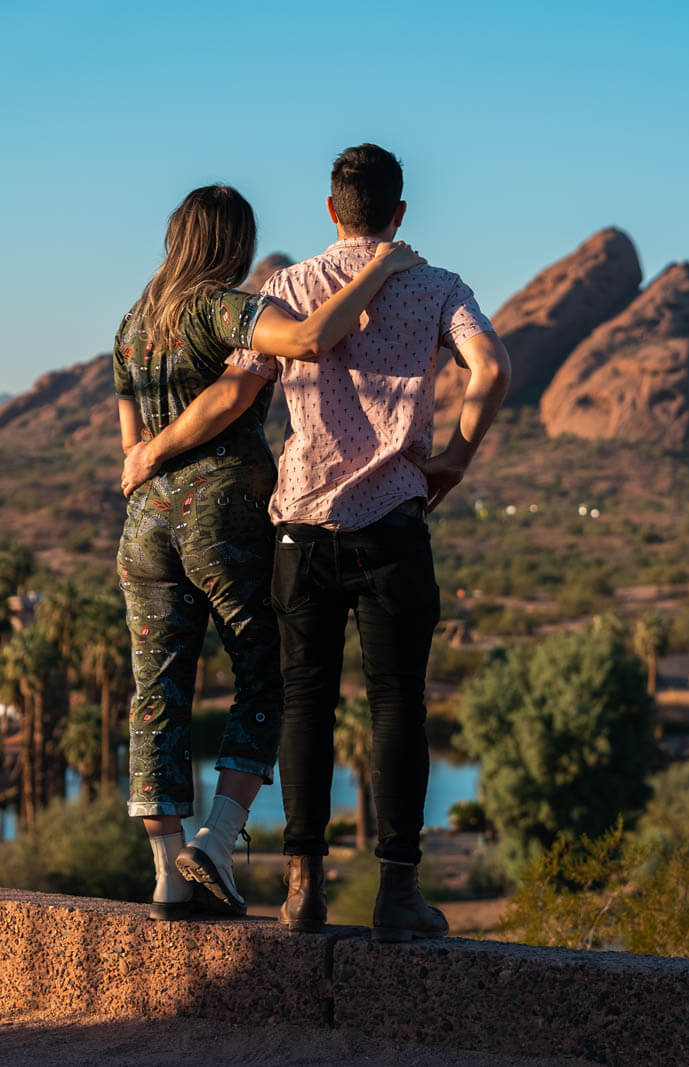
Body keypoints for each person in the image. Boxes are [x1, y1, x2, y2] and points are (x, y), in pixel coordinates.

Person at [121, 147, 511, 940]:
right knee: (399, 704)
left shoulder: (289, 287)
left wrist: (151, 455)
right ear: (399, 213)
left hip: (299, 526)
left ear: (332, 211)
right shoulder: (437, 286)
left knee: (303, 700)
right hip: (394, 524)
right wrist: (455, 462)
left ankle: (303, 892)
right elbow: (493, 368)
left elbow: (238, 387)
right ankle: (398, 895)